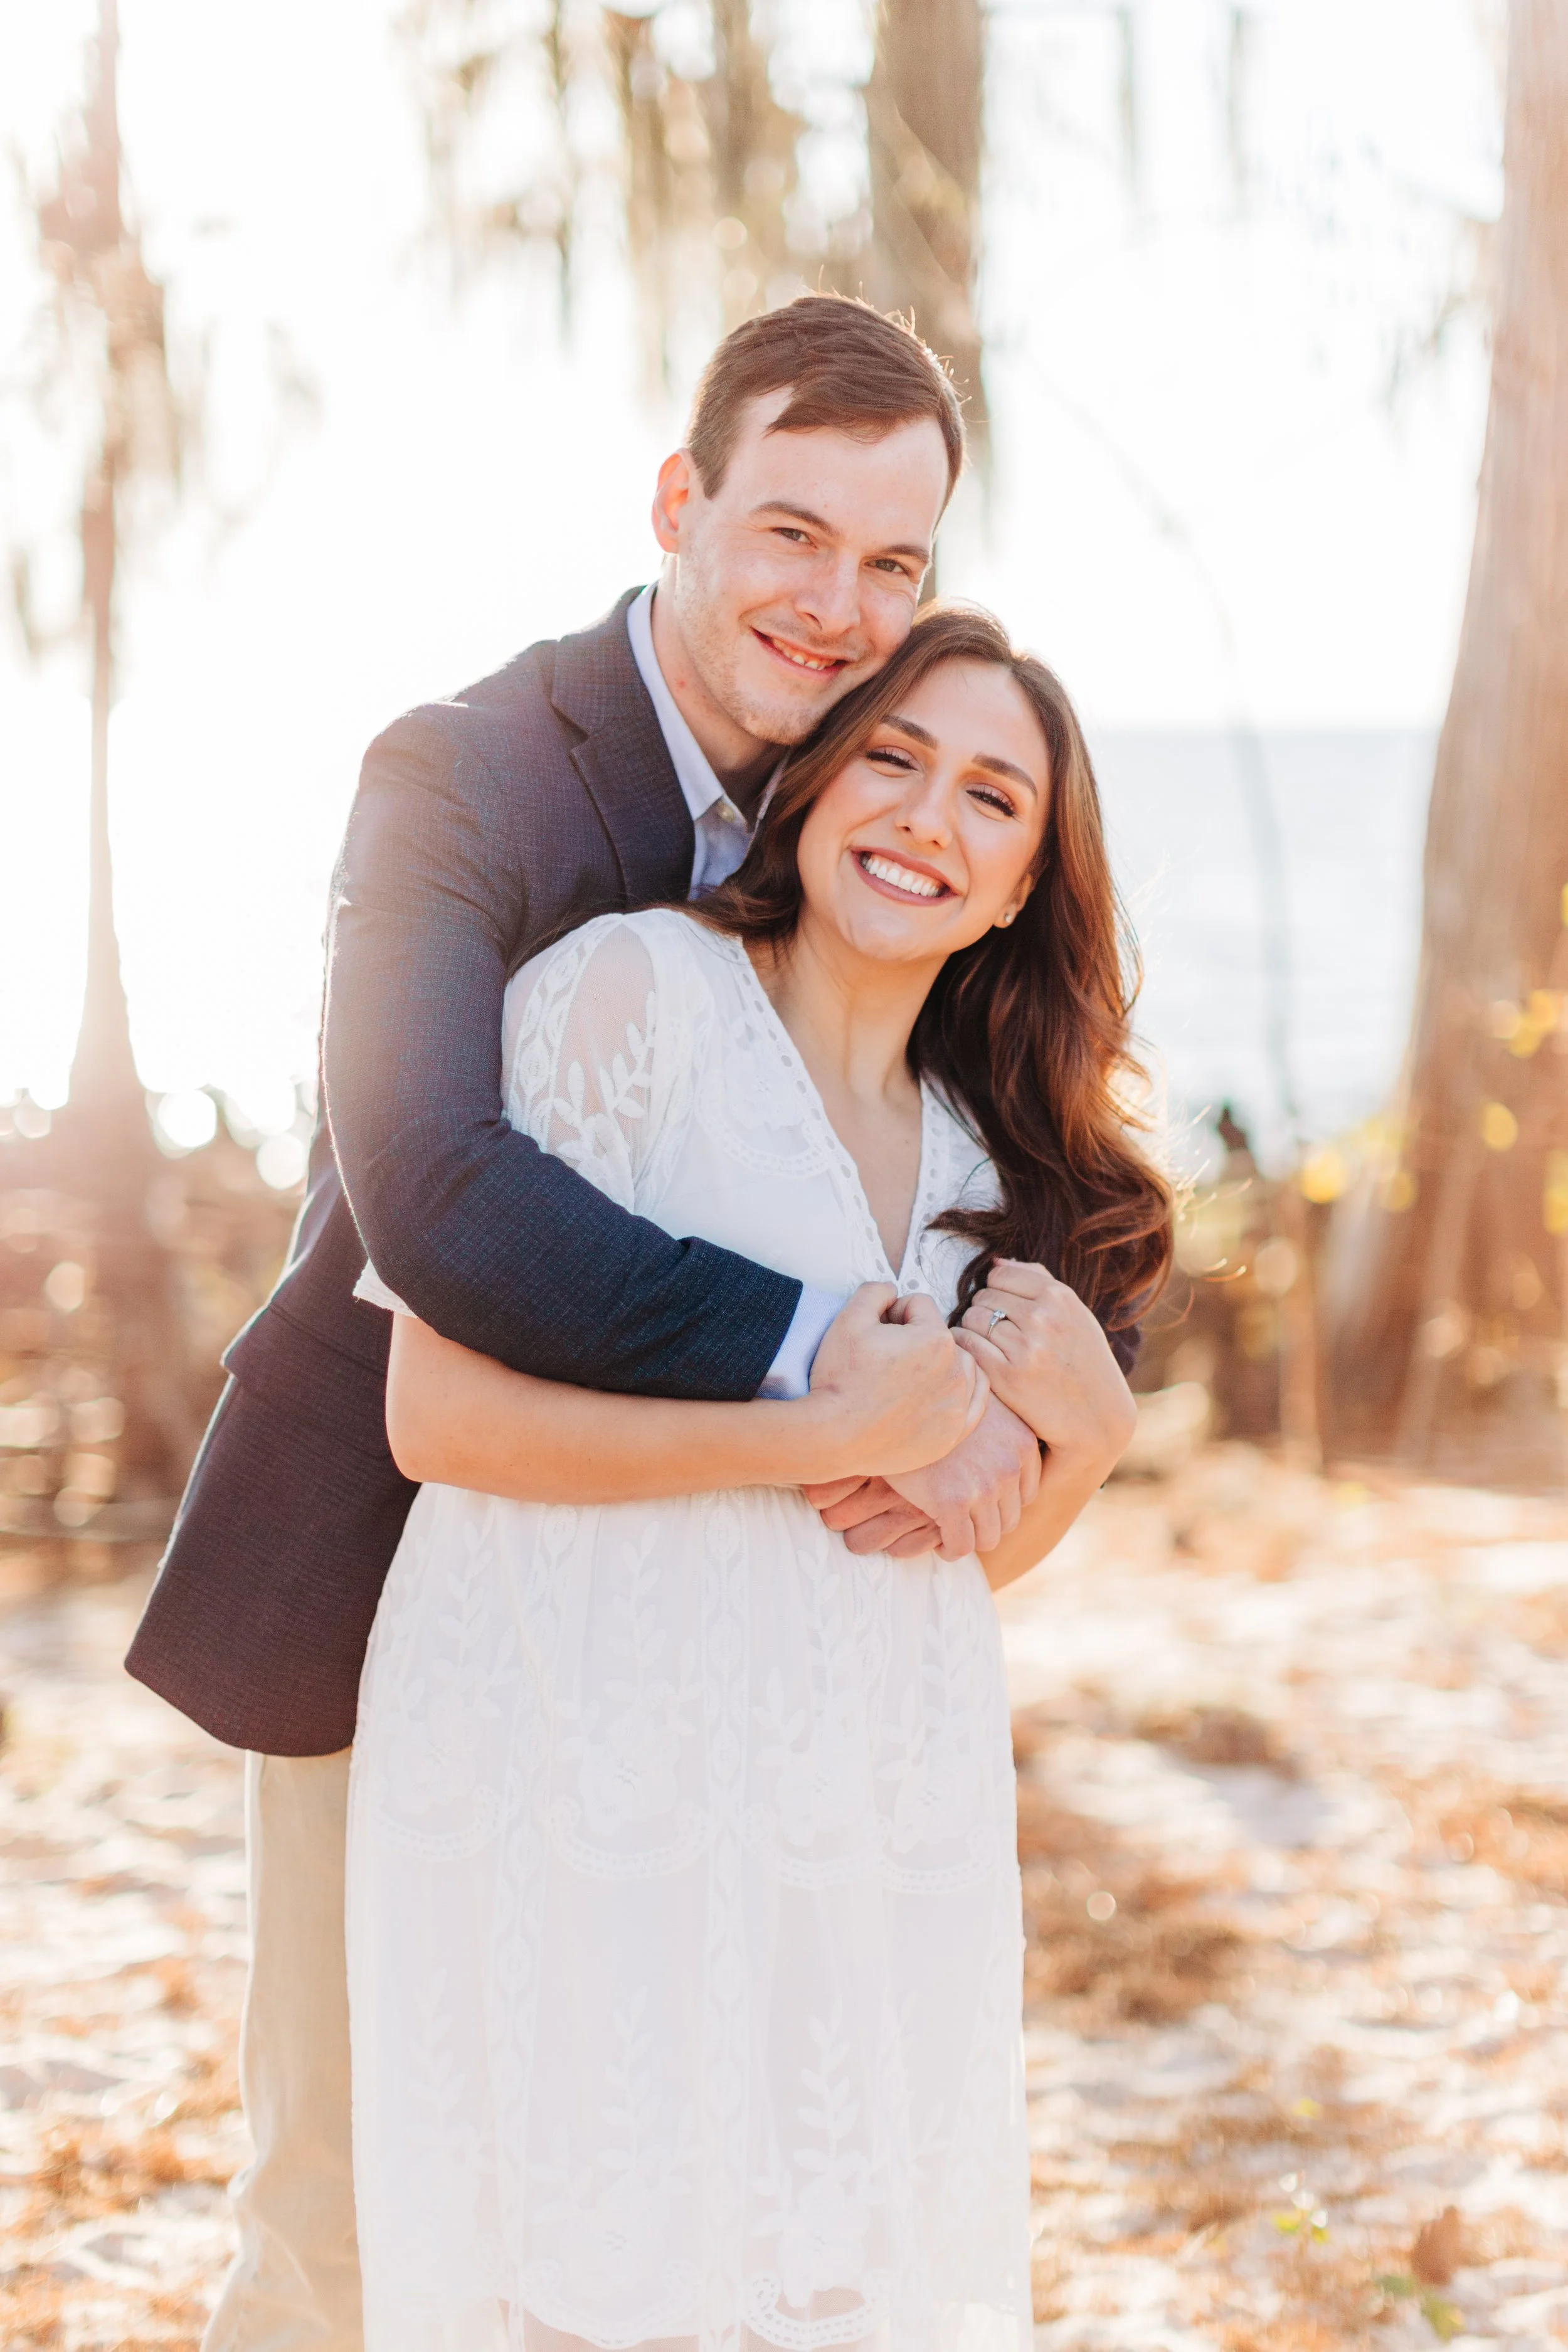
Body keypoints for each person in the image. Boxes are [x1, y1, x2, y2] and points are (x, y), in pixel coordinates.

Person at [127, 297, 1055, 2352]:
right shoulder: (462, 778)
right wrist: (840, 1353)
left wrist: (1065, 1398)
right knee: (357, 2208)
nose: (835, 605)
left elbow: (1013, 1147)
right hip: (393, 1568)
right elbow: (437, 1192)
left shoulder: (877, 795)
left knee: (669, 2204)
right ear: (679, 501)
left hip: (721, 1659)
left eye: (891, 563)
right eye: (792, 533)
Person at [346, 605, 1170, 2348]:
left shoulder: (985, 1162)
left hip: (850, 1812)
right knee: (587, 2282)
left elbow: (922, 1556)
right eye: (890, 756)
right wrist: (812, 1430)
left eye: (989, 799)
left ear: (1024, 881)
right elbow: (436, 1415)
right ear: (804, 787)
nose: (925, 817)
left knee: (823, 2289)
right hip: (578, 1766)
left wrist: (1084, 1442)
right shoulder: (625, 995)